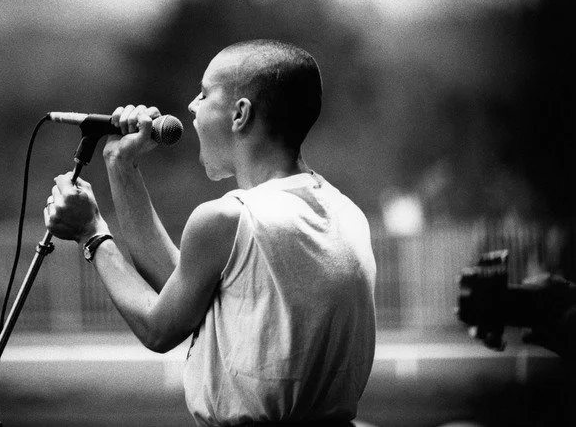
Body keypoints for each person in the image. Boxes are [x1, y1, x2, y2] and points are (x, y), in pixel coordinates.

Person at [44, 39, 376, 426]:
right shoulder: (347, 213)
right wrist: (121, 165)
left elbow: (158, 328)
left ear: (240, 114)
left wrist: (91, 233)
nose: (191, 106)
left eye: (204, 94)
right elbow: (182, 296)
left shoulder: (229, 218)